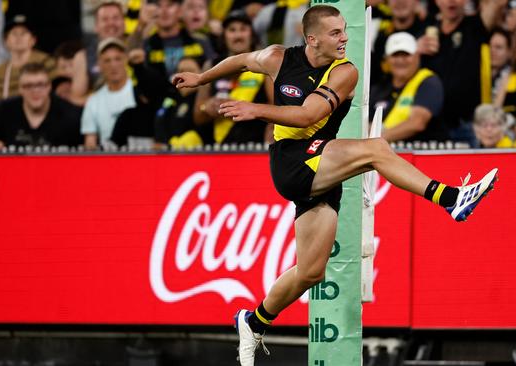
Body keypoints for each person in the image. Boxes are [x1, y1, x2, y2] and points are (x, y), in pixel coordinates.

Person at [172, 6, 498, 366]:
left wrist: (257, 109)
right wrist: (202, 78)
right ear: (311, 39)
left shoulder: (345, 72)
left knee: (311, 271)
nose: (345, 39)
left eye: (344, 31)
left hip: (318, 164)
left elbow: (309, 114)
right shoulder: (278, 57)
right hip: (292, 162)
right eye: (335, 34)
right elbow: (239, 60)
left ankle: (253, 321)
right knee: (375, 150)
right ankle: (450, 198)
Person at [417, 0, 508, 146]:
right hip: (432, 125)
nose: (451, 1)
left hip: (469, 124)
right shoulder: (427, 28)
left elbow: (497, 3)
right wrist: (416, 49)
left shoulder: (475, 25)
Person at [192, 10, 271, 144]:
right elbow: (197, 116)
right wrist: (207, 108)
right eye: (232, 30)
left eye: (243, 29)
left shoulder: (264, 64)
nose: (238, 35)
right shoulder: (210, 65)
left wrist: (251, 109)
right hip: (218, 149)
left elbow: (277, 107)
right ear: (224, 36)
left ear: (251, 34)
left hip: (255, 147)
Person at [369, 32, 446, 142]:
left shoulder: (428, 82)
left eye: (406, 54)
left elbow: (417, 123)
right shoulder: (380, 87)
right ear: (387, 59)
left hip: (422, 154)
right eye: (395, 55)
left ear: (417, 56)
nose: (400, 60)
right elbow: (367, 123)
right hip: (384, 153)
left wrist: (377, 139)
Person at [0, 62, 82, 150]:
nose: (35, 91)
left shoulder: (71, 115)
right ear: (20, 89)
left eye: (40, 85)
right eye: (28, 86)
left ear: (49, 86)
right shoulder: (4, 110)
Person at [81, 38, 137, 150]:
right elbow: (90, 144)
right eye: (107, 60)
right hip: (107, 161)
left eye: (118, 59)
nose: (113, 65)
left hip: (139, 158)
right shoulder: (94, 100)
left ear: (126, 60)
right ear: (99, 65)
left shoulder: (140, 93)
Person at [0, 14, 55, 101]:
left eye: (24, 33)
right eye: (14, 33)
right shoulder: (0, 71)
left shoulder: (47, 62)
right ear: (6, 41)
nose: (19, 37)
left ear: (33, 40)